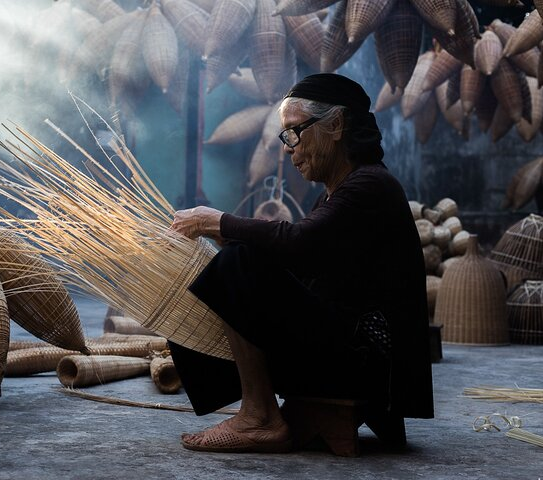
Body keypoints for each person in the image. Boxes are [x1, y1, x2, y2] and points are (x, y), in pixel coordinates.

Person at [168, 73, 434, 453]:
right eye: (285, 136)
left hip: (368, 364)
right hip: (348, 355)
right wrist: (229, 237)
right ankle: (257, 409)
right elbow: (302, 268)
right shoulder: (331, 197)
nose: (289, 147)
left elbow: (300, 243)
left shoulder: (371, 186)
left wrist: (219, 221)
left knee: (239, 262)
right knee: (233, 264)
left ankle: (259, 417)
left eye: (295, 132)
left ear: (337, 125)